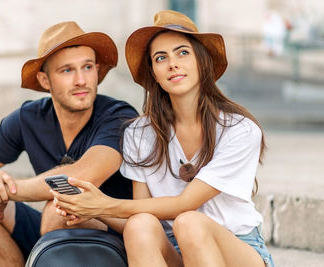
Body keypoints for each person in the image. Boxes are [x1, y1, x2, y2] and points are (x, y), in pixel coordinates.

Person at [52, 10, 275, 267]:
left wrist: (104, 205)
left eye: (182, 52)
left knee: (189, 221)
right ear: (154, 73)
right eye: (161, 58)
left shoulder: (240, 129)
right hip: (173, 249)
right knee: (139, 224)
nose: (173, 64)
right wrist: (88, 208)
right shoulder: (139, 133)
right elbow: (142, 209)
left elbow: (185, 204)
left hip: (237, 248)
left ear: (202, 61)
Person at [0, 21, 138, 266]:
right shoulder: (28, 117)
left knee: (59, 207)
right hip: (54, 235)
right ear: (44, 80)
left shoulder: (118, 115)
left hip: (116, 239)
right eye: (67, 71)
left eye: (87, 67)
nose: (81, 80)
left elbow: (82, 175)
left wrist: (4, 190)